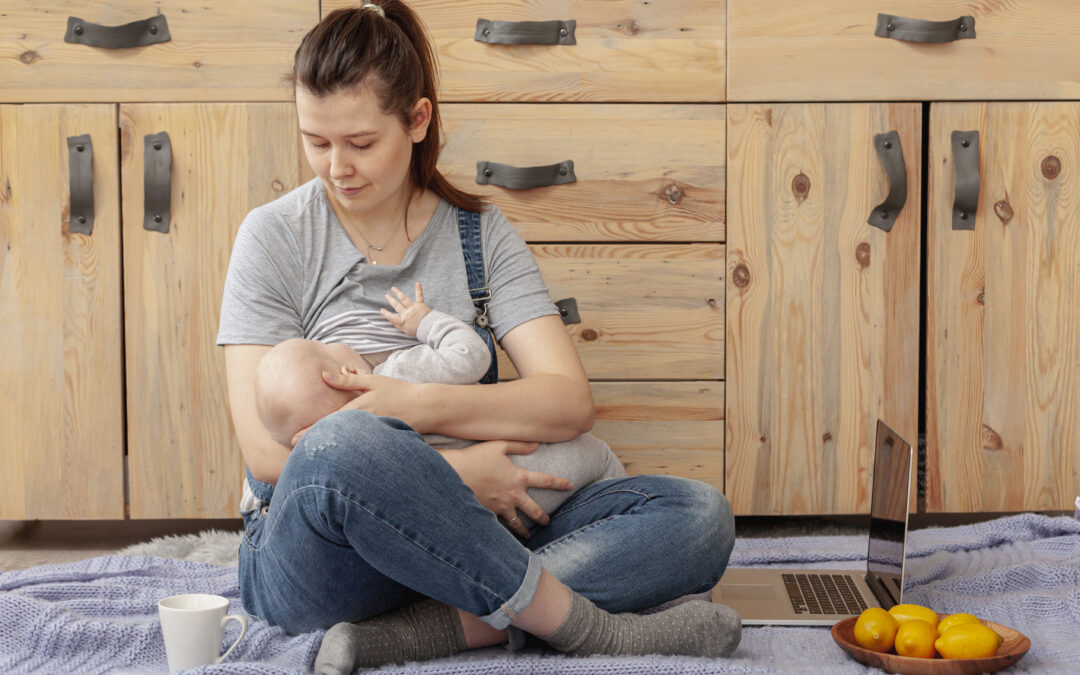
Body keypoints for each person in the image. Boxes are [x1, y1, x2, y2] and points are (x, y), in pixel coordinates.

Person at [216, 1, 740, 672]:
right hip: (324, 557)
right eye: (315, 141)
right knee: (341, 440)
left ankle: (426, 631)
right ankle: (583, 624)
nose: (335, 166)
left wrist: (409, 404)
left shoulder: (479, 236)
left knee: (697, 516)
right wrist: (455, 476)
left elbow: (567, 400)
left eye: (360, 142)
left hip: (478, 536)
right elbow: (266, 454)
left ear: (417, 120)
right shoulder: (275, 236)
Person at [253, 282, 626, 525]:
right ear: (347, 371)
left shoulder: (349, 452)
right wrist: (426, 323)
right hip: (524, 475)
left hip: (455, 521)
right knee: (600, 461)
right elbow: (471, 356)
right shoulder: (400, 370)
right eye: (324, 344)